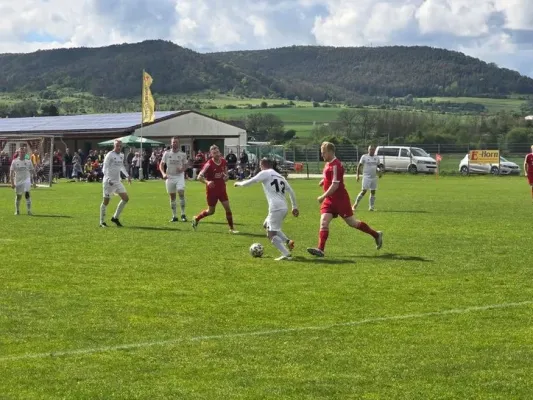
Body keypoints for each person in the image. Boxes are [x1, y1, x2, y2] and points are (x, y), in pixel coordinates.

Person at [307, 142, 383, 257]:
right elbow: (330, 178)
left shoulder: (336, 165)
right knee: (324, 222)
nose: (322, 155)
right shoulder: (328, 164)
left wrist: (323, 196)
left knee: (352, 223)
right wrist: (324, 181)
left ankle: (376, 235)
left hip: (340, 200)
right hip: (330, 200)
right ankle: (320, 249)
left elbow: (335, 185)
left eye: (324, 153)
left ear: (331, 152)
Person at [235, 158, 298, 260]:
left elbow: (252, 180)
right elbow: (291, 191)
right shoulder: (280, 176)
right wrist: (294, 207)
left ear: (262, 164)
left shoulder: (265, 173)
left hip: (275, 207)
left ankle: (286, 254)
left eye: (260, 166)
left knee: (271, 234)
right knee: (266, 224)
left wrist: (239, 183)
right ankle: (288, 241)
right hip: (283, 207)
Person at [192, 145, 238, 234]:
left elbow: (225, 174)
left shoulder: (224, 161)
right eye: (214, 153)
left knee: (228, 208)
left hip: (221, 189)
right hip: (212, 191)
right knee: (211, 211)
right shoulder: (208, 164)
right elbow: (199, 177)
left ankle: (232, 228)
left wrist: (226, 177)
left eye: (217, 152)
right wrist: (207, 182)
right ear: (211, 154)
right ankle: (196, 218)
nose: (217, 154)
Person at [100, 139, 132, 227]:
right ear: (114, 146)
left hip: (117, 181)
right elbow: (104, 168)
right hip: (108, 182)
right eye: (117, 146)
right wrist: (108, 179)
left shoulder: (121, 155)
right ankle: (102, 222)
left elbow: (121, 166)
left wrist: (127, 176)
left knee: (125, 198)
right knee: (106, 202)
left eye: (120, 146)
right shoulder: (109, 155)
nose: (119, 147)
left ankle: (115, 217)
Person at [160, 137, 188, 222]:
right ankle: (174, 216)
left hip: (179, 176)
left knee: (180, 192)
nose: (174, 144)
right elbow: (161, 165)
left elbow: (186, 165)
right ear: (171, 143)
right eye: (173, 142)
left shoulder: (183, 154)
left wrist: (182, 169)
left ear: (178, 144)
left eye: (176, 142)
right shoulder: (167, 153)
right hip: (170, 177)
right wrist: (163, 173)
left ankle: (183, 214)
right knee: (172, 197)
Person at [353, 145, 382, 211]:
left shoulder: (376, 157)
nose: (372, 151)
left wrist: (380, 173)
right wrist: (357, 175)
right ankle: (355, 205)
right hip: (366, 177)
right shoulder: (364, 157)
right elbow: (359, 166)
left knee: (373, 191)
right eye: (370, 149)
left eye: (373, 149)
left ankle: (371, 207)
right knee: (364, 191)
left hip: (374, 177)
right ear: (368, 150)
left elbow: (379, 166)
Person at [10, 146, 36, 215]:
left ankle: (29, 211)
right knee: (19, 196)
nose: (22, 153)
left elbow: (33, 171)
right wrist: (12, 183)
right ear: (18, 153)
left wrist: (34, 182)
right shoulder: (14, 161)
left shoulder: (28, 161)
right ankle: (17, 210)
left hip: (26, 180)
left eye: (23, 152)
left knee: (27, 194)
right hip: (18, 181)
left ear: (25, 153)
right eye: (21, 152)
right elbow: (11, 173)